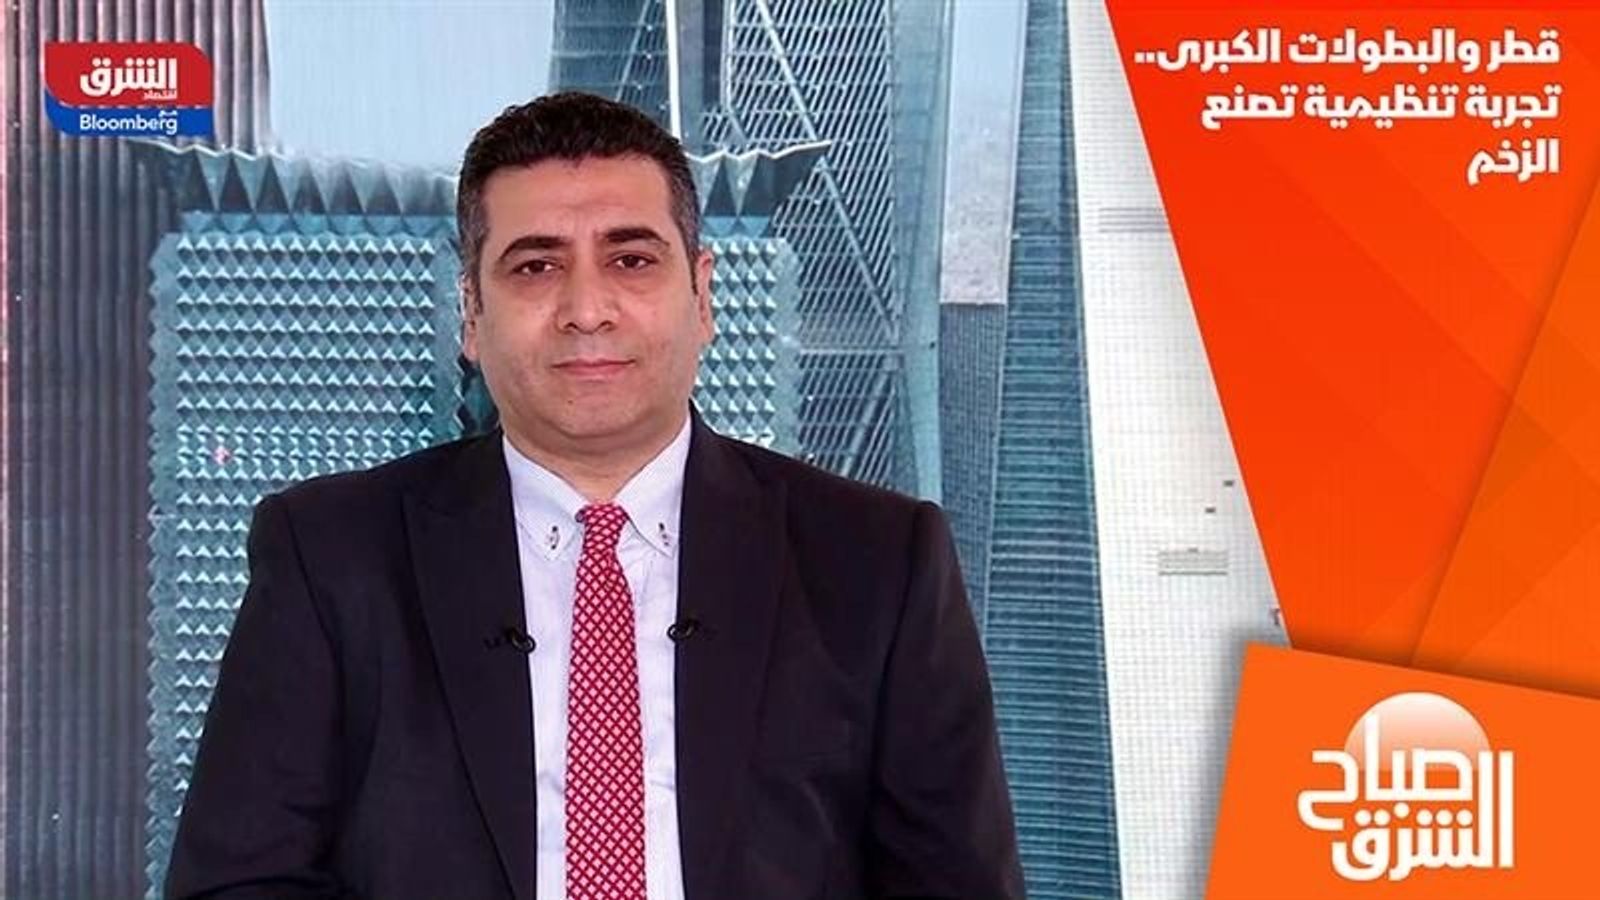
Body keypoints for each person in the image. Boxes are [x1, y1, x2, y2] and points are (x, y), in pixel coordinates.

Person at [166, 91, 1023, 900]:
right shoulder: (330, 555)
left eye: (631, 260)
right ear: (471, 314)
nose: (586, 308)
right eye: (536, 266)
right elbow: (237, 884)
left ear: (703, 295)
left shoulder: (878, 562)